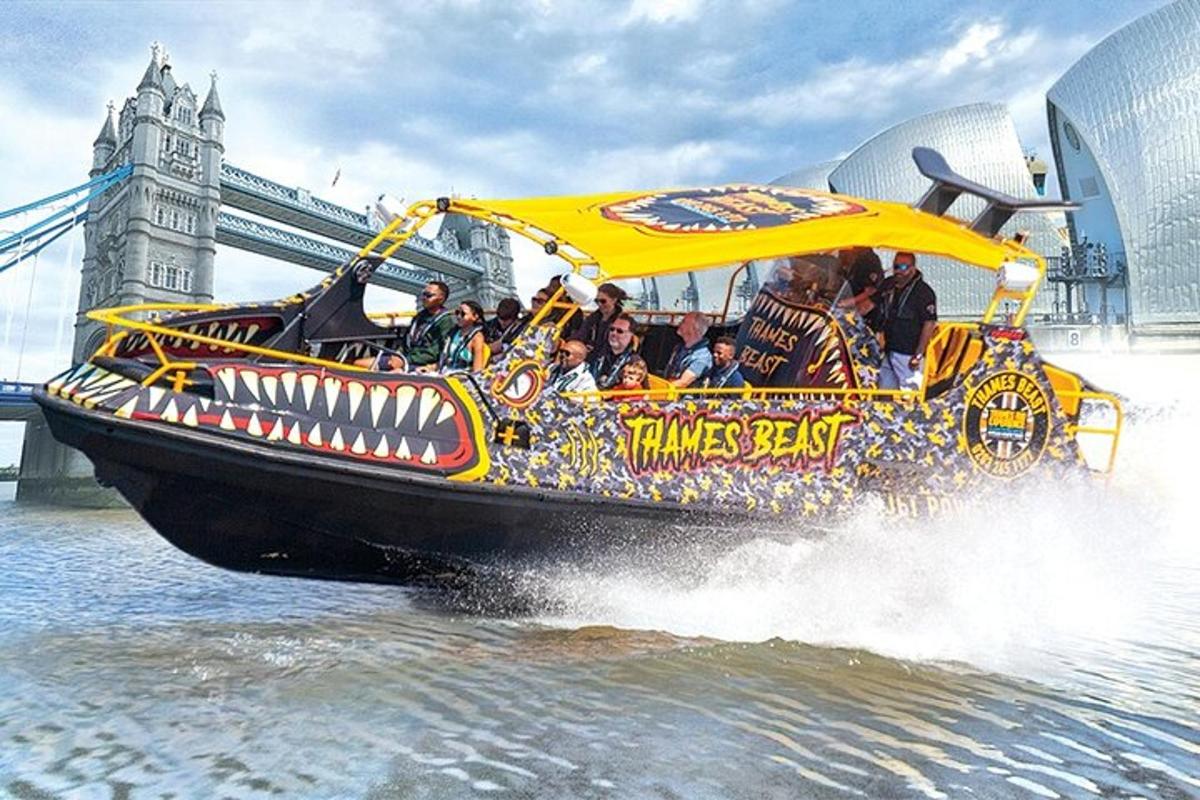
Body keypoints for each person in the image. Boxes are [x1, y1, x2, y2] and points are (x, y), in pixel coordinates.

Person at [877, 252, 937, 391]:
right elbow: (870, 303)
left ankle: (914, 412)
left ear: (913, 268)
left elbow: (929, 323)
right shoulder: (889, 285)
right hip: (889, 350)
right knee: (884, 390)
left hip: (908, 354)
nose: (898, 271)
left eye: (903, 267)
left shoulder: (923, 292)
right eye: (896, 266)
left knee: (910, 392)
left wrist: (918, 353)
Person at [431, 300, 488, 372]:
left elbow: (477, 370)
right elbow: (444, 361)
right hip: (445, 373)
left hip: (461, 377)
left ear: (475, 316)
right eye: (457, 313)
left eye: (463, 314)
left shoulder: (477, 338)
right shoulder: (452, 334)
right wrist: (430, 368)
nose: (458, 316)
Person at [837, 247, 884, 331]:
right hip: (852, 312)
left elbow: (871, 290)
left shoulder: (868, 260)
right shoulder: (857, 259)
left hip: (864, 316)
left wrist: (850, 302)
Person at [589, 313, 638, 389]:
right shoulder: (596, 353)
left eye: (620, 331)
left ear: (630, 335)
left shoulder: (635, 362)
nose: (613, 333)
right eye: (612, 329)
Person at [664, 312, 712, 388]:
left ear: (694, 328)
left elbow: (683, 383)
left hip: (685, 398)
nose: (679, 323)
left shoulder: (702, 357)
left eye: (683, 321)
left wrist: (658, 389)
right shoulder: (679, 348)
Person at [577, 282, 627, 355]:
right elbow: (581, 335)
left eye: (603, 301)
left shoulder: (623, 321)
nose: (599, 304)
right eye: (596, 301)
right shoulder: (592, 318)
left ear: (614, 300)